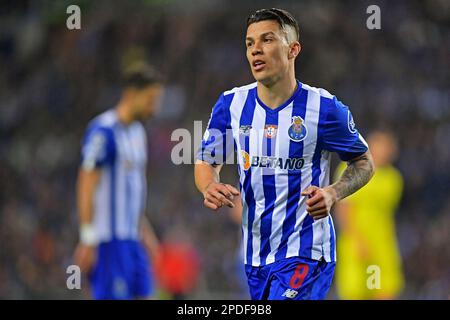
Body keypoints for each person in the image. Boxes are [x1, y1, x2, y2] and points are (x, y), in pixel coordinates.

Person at [194, 8, 374, 300]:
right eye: (250, 43)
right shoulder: (231, 105)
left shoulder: (325, 108)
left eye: (267, 40)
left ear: (293, 49)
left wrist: (333, 193)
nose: (256, 50)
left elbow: (364, 162)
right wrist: (208, 185)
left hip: (306, 251)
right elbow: (206, 160)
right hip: (255, 257)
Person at [73, 63, 164, 299]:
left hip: (133, 240)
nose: (154, 108)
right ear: (132, 94)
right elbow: (86, 182)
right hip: (108, 243)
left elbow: (132, 192)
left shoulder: (138, 133)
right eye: (151, 99)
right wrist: (87, 238)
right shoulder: (103, 131)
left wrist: (146, 233)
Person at [334, 130, 404, 299]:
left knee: (384, 290)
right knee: (355, 292)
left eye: (388, 147)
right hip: (356, 243)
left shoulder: (393, 179)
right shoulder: (351, 169)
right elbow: (343, 208)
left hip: (382, 244)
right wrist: (356, 239)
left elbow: (388, 214)